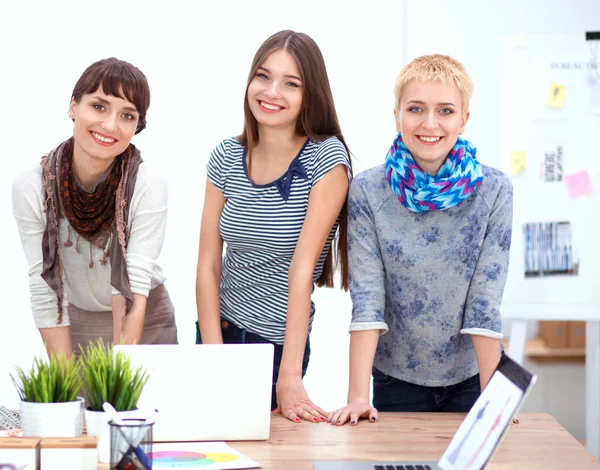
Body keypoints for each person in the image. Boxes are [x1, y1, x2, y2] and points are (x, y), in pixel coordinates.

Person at [329, 54, 513, 425]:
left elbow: (484, 301)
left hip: (472, 377)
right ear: (397, 115)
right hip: (396, 379)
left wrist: (494, 398)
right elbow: (368, 298)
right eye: (416, 109)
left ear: (464, 118)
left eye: (445, 110)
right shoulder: (367, 189)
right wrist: (357, 397)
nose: (430, 123)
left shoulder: (494, 190)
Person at [196, 30, 352, 423]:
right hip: (218, 331)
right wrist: (212, 355)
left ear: (309, 94)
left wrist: (289, 373)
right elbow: (208, 265)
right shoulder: (226, 156)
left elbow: (302, 269)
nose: (271, 91)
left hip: (276, 346)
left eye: (291, 83)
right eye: (263, 77)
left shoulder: (326, 158)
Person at [12, 58, 178, 359]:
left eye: (127, 115)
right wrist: (64, 379)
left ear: (136, 127)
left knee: (133, 404)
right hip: (75, 323)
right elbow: (44, 286)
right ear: (73, 106)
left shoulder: (148, 183)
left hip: (145, 318)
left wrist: (120, 369)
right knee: (71, 401)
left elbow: (134, 282)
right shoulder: (32, 186)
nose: (110, 125)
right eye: (99, 106)